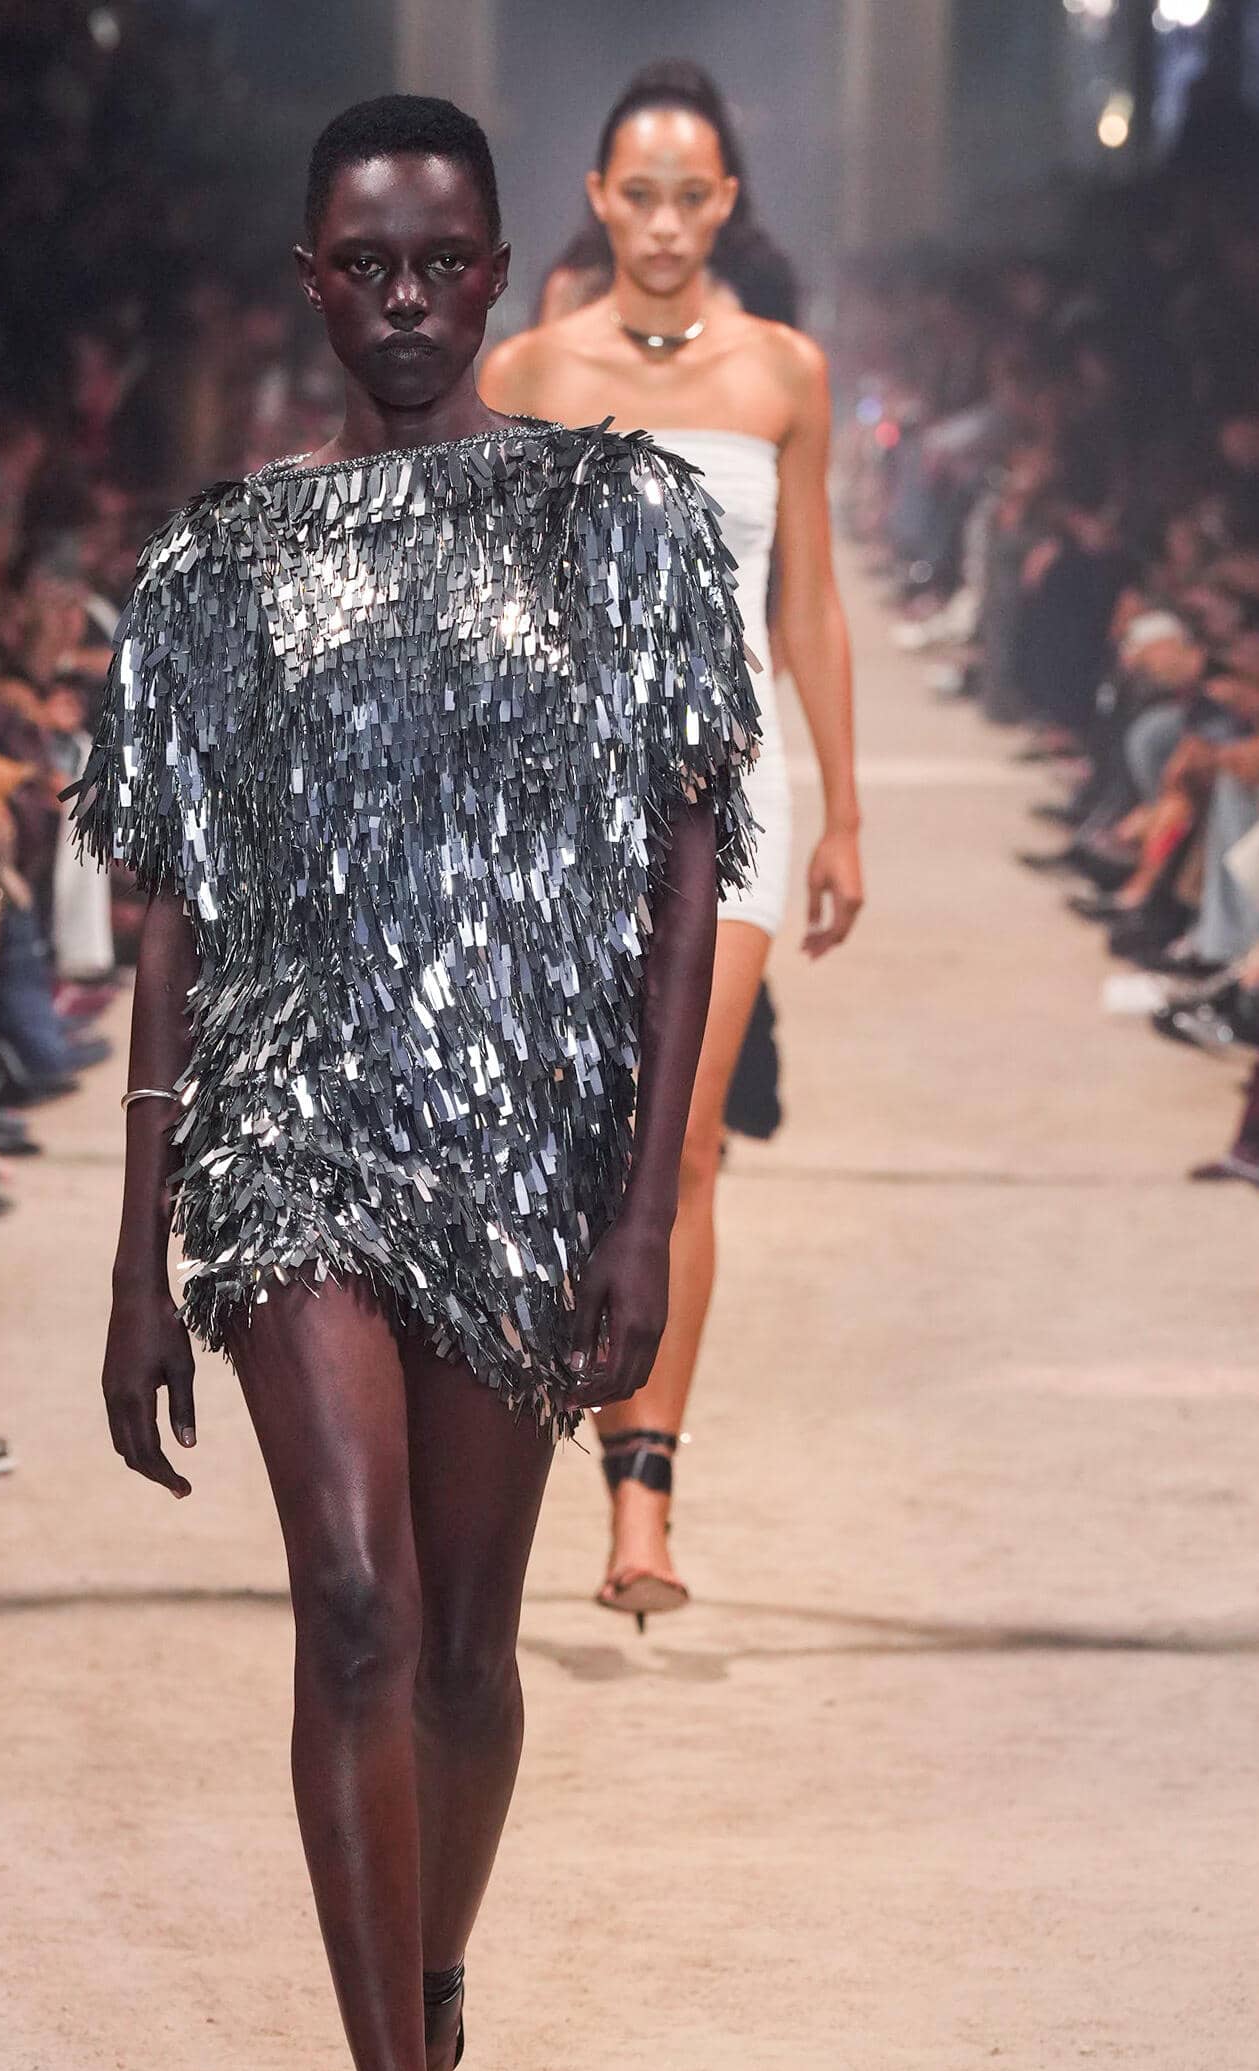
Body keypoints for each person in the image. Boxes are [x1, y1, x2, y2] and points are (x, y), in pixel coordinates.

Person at [80, 94, 758, 2071]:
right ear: (310, 280)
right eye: (359, 262)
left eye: (437, 259)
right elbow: (163, 919)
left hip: (523, 1141)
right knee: (357, 1599)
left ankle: (423, 1985)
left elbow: (688, 871)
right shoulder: (219, 564)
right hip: (290, 1132)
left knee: (465, 1646)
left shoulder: (624, 519)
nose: (399, 295)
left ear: (495, 272)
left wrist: (648, 1198)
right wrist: (138, 1246)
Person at [484, 59, 864, 1623]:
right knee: (574, 1140)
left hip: (738, 788)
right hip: (567, 802)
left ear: (724, 203)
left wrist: (847, 812)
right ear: (598, 200)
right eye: (633, 195)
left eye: (685, 196)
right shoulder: (528, 372)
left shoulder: (784, 373)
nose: (658, 222)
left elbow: (809, 602)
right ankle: (539, 1446)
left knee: (686, 1143)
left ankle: (644, 1498)